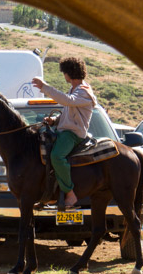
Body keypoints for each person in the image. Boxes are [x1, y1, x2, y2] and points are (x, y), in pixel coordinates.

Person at [31, 57, 97, 209]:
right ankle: (49, 194)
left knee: (56, 157)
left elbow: (68, 101)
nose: (63, 76)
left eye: (64, 73)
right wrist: (54, 120)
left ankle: (70, 193)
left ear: (69, 73)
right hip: (65, 131)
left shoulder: (83, 92)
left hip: (72, 134)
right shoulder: (75, 90)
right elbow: (69, 111)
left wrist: (45, 87)